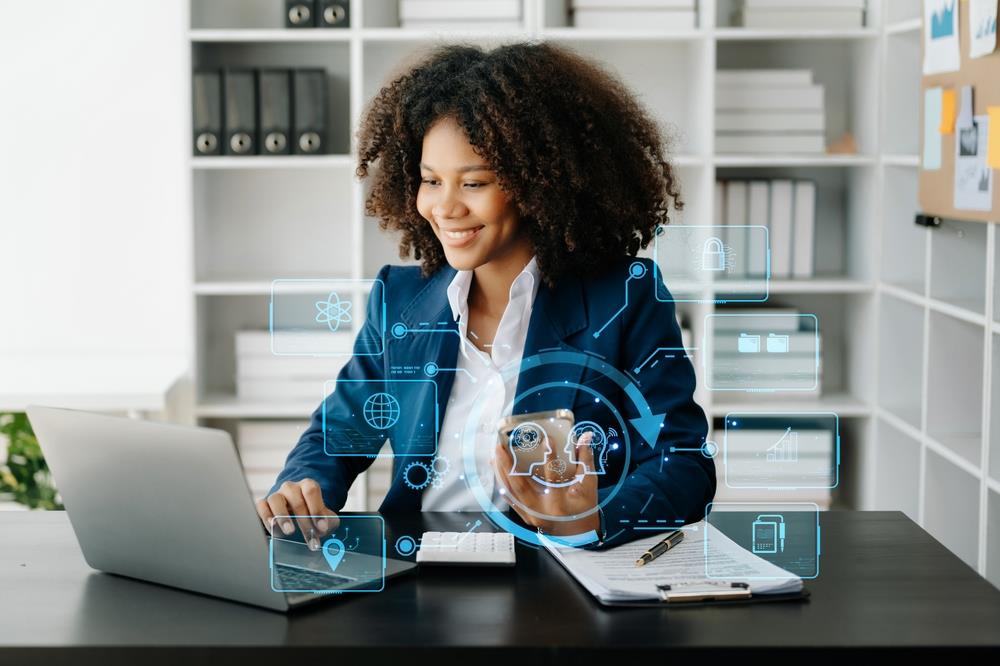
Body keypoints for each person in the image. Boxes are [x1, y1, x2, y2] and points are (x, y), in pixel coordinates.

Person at [257, 42, 715, 549]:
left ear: (539, 186)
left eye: (473, 182)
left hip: (556, 578)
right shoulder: (399, 300)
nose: (444, 207)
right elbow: (338, 436)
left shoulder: (625, 299)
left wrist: (590, 520)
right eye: (430, 181)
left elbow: (684, 464)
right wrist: (302, 491)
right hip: (417, 577)